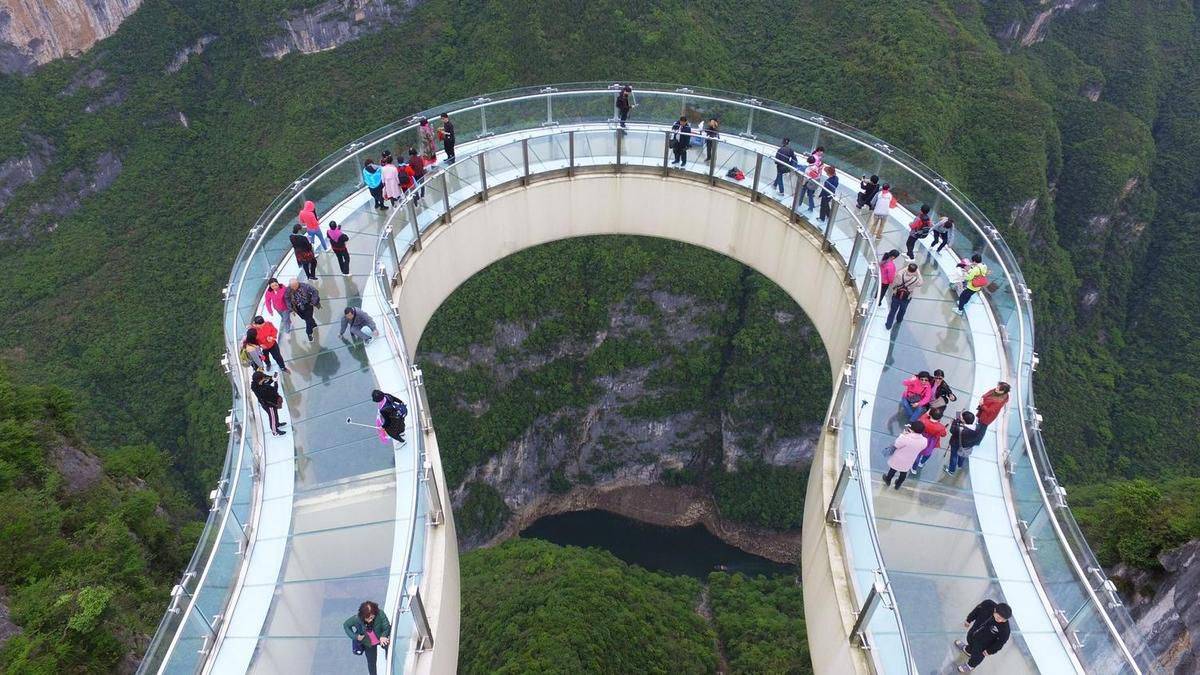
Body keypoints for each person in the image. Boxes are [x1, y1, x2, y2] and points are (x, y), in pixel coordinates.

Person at [955, 600, 1012, 672]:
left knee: (977, 656)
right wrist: (969, 620)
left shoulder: (1005, 630)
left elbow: (1000, 643)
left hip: (983, 645)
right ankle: (968, 650)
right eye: (998, 617)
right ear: (995, 610)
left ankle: (970, 665)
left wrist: (990, 651)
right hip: (974, 632)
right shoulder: (987, 604)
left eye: (1003, 619)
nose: (1000, 620)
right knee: (970, 640)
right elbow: (976, 610)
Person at [343, 600, 391, 675]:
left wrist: (383, 635)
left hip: (381, 639)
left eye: (372, 617)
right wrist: (356, 637)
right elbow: (346, 625)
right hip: (368, 644)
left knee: (390, 650)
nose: (370, 620)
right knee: (371, 663)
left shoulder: (380, 613)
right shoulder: (357, 619)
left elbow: (386, 625)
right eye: (367, 618)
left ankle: (391, 668)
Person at [882, 420, 926, 490]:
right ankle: (898, 484)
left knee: (892, 470)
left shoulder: (906, 438)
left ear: (911, 429)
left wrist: (902, 435)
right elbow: (922, 447)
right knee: (903, 473)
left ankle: (888, 480)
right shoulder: (924, 440)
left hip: (898, 458)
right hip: (909, 460)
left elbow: (896, 444)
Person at [885, 262, 922, 330]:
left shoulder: (899, 275)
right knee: (902, 310)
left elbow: (894, 284)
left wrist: (906, 267)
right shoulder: (915, 280)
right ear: (915, 271)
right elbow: (921, 283)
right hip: (906, 298)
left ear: (907, 268)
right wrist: (918, 272)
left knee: (892, 311)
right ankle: (899, 320)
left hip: (896, 295)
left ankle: (888, 325)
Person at [911, 408, 948, 473]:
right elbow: (943, 435)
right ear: (940, 418)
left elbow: (920, 420)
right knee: (928, 453)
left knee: (918, 454)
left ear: (930, 414)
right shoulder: (941, 427)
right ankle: (921, 463)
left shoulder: (923, 420)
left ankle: (914, 468)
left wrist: (926, 414)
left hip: (921, 439)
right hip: (931, 442)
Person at [946, 411, 982, 475]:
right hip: (967, 446)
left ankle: (951, 470)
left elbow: (952, 430)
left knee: (954, 456)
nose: (960, 417)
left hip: (956, 444)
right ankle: (960, 465)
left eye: (962, 417)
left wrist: (955, 420)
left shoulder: (960, 429)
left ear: (964, 421)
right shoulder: (977, 428)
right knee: (962, 455)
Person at [251, 371, 286, 436]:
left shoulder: (256, 385)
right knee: (272, 417)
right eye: (263, 378)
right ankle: (275, 431)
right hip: (269, 405)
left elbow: (265, 384)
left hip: (268, 403)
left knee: (275, 414)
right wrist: (276, 382)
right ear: (259, 380)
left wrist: (272, 379)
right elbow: (274, 390)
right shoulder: (262, 390)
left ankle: (277, 424)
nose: (264, 379)